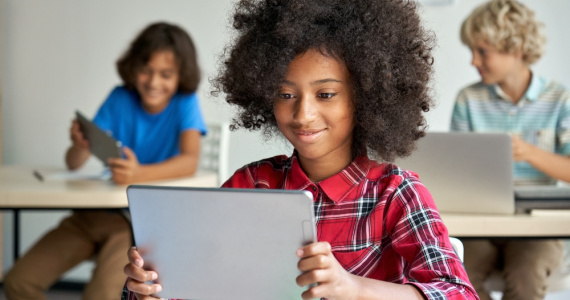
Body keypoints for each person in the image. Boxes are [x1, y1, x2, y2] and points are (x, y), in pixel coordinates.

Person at [123, 0, 479, 299]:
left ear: (366, 98)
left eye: (326, 94)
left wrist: (353, 287)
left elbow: (458, 293)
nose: (303, 114)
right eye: (285, 94)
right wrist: (150, 290)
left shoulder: (396, 195)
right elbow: (199, 286)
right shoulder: (253, 184)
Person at [3, 22, 206, 300]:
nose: (154, 81)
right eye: (146, 70)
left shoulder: (185, 102)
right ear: (133, 68)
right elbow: (74, 163)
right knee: (18, 281)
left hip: (135, 225)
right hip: (94, 214)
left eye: (166, 74)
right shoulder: (118, 97)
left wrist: (137, 174)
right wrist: (79, 145)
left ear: (181, 75)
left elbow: (190, 161)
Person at [451, 0, 570, 299]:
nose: (474, 61)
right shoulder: (468, 99)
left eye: (482, 52)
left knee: (524, 276)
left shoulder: (559, 99)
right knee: (455, 273)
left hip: (536, 226)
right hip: (481, 223)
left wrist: (527, 152)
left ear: (515, 49)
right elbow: (456, 173)